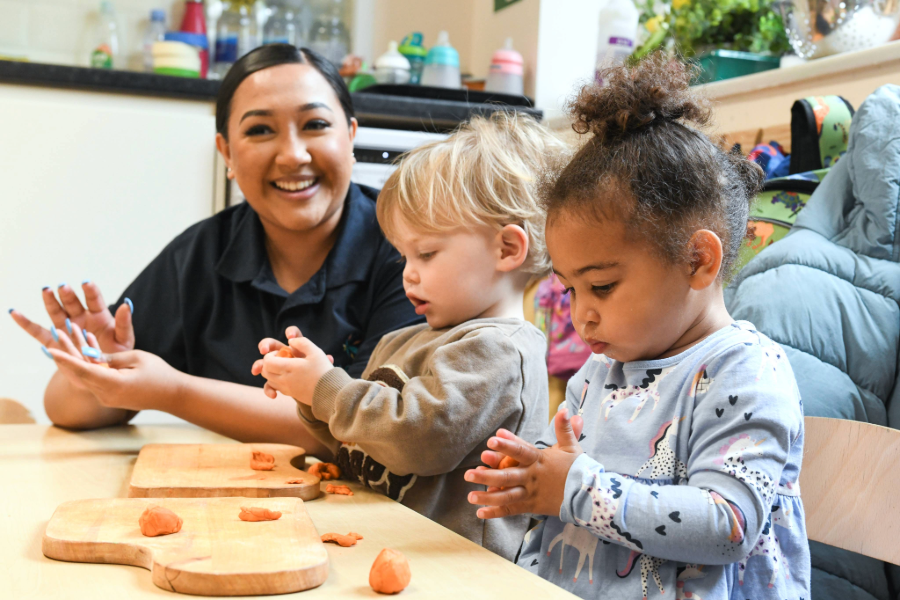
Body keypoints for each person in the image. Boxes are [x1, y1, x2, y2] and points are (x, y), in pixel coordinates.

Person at [465, 55, 811, 598]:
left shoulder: (744, 371)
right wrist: (535, 482)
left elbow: (730, 525)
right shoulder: (598, 373)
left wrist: (574, 488)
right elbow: (576, 509)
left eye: (601, 286)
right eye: (569, 289)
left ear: (697, 260)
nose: (581, 314)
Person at [8, 45, 421, 453]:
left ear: (349, 135)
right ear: (226, 152)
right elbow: (64, 409)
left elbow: (363, 429)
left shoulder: (409, 249)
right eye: (260, 130)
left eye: (314, 124)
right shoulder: (201, 254)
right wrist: (101, 370)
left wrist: (174, 392)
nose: (293, 155)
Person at [255, 112, 565, 560]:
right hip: (389, 547)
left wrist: (328, 389)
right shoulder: (406, 340)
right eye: (403, 256)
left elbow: (418, 440)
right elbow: (367, 449)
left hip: (455, 572)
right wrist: (308, 392)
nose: (408, 274)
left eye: (426, 253)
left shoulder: (499, 350)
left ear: (507, 249)